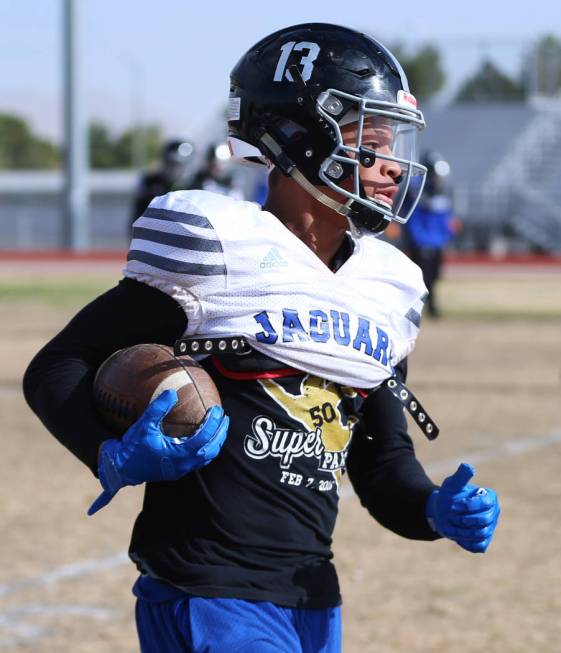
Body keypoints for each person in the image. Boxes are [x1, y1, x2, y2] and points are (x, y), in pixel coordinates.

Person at [23, 23, 500, 653]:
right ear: (301, 138)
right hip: (206, 585)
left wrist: (433, 508)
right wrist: (106, 450)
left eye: (396, 143)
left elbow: (381, 464)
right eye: (371, 140)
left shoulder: (387, 285)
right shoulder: (220, 246)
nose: (392, 165)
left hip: (310, 596)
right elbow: (59, 364)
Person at [402, 151, 460, 317]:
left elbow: (444, 218)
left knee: (434, 276)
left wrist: (447, 236)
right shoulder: (417, 190)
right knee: (422, 278)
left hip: (437, 242)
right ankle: (421, 309)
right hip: (421, 241)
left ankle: (429, 307)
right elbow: (413, 214)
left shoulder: (441, 194)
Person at [130, 138, 194, 229]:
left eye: (178, 164)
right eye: (170, 163)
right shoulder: (150, 183)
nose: (173, 169)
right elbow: (136, 220)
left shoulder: (197, 186)